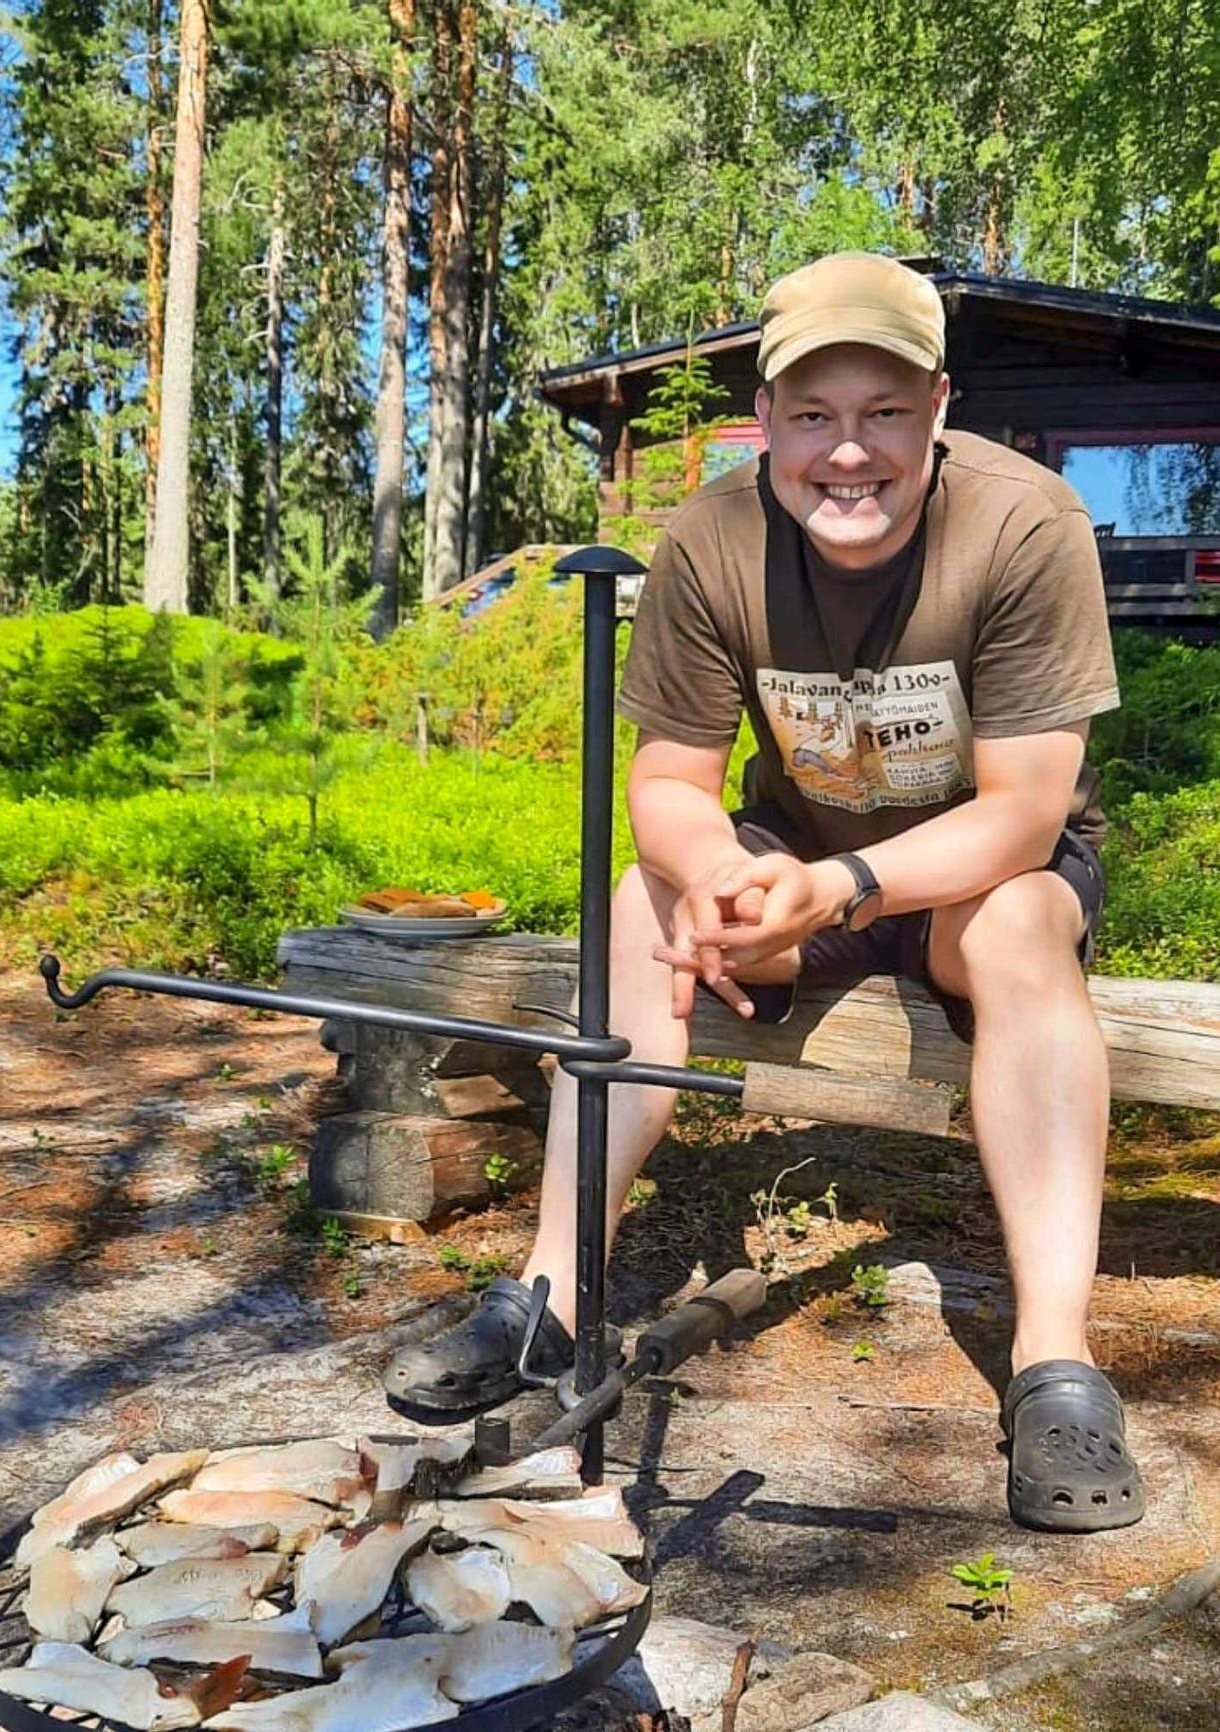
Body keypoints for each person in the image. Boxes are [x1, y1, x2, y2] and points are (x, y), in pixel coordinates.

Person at [384, 252, 1142, 1533]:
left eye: (884, 413)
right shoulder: (712, 536)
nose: (847, 454)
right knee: (639, 905)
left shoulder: (1024, 526)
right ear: (768, 420)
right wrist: (722, 872)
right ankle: (547, 1300)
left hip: (984, 879)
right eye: (812, 417)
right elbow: (668, 784)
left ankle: (1051, 1363)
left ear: (939, 407)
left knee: (1014, 927)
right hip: (793, 859)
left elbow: (1022, 807)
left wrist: (840, 886)